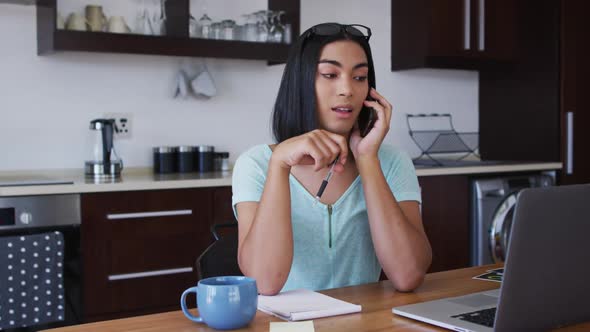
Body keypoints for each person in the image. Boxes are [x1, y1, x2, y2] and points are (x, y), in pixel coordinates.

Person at [232, 23, 432, 295]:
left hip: (366, 321)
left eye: (360, 77)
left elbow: (407, 276)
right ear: (301, 83)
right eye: (330, 74)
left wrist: (367, 160)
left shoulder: (392, 161)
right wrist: (279, 164)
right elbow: (265, 283)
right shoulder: (255, 164)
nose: (347, 89)